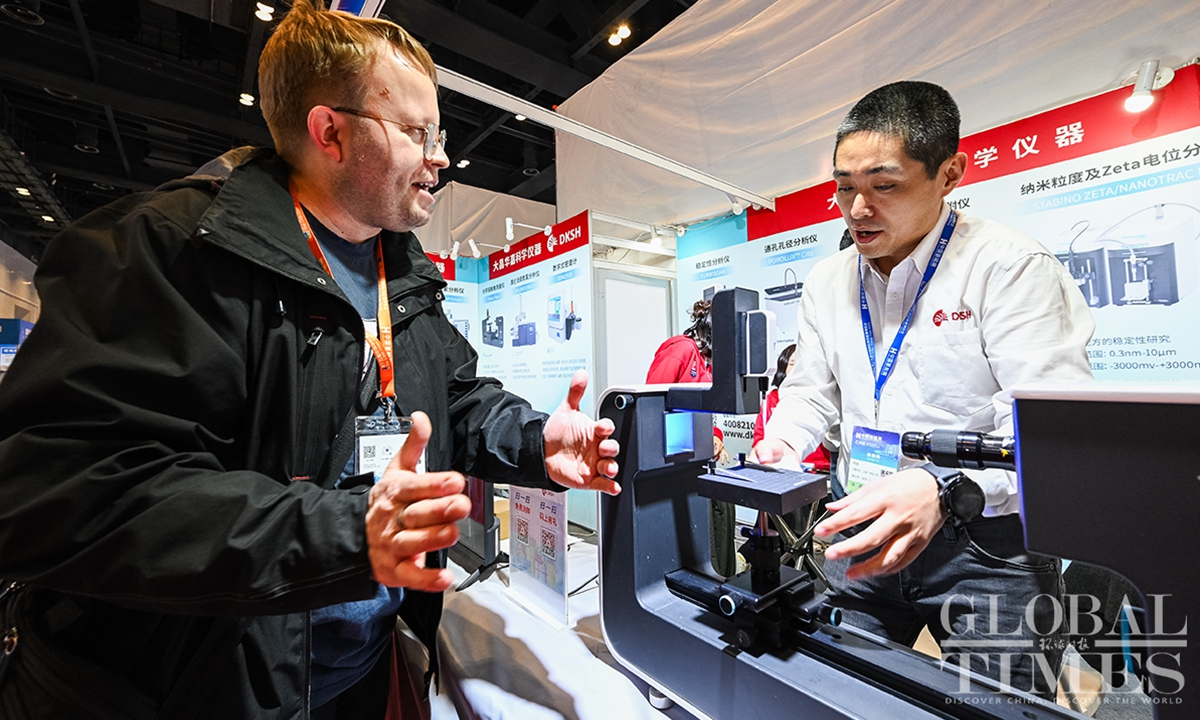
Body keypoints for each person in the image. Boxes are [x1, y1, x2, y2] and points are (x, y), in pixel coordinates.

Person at [0, 3, 619, 719]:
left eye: (440, 135)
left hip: (356, 675)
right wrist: (343, 535)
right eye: (418, 132)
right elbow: (70, 490)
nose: (441, 158)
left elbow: (454, 399)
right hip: (194, 696)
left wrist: (535, 441)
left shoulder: (403, 274)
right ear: (331, 131)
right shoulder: (167, 252)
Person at [754, 81, 1094, 698]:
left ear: (950, 174)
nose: (858, 209)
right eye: (844, 187)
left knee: (996, 707)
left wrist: (946, 490)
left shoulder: (1007, 267)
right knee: (837, 691)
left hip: (987, 549)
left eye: (884, 186)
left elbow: (1050, 431)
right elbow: (810, 391)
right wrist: (783, 442)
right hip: (860, 525)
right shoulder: (827, 281)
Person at [645, 299, 734, 575]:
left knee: (724, 507)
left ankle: (720, 573)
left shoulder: (708, 363)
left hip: (698, 459)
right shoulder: (681, 350)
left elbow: (709, 412)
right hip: (673, 458)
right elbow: (652, 405)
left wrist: (715, 437)